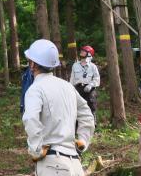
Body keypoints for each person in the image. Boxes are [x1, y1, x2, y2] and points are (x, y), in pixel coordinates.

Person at [22, 39, 95, 176]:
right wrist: (83, 141)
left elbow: (31, 119)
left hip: (52, 165)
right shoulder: (67, 86)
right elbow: (87, 115)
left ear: (33, 64)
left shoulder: (35, 89)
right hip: (75, 165)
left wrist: (36, 150)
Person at [69, 45, 100, 122]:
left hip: (89, 88)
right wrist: (70, 88)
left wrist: (91, 85)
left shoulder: (93, 67)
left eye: (84, 51)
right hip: (77, 87)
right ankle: (76, 124)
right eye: (81, 51)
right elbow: (72, 78)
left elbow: (97, 79)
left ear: (89, 54)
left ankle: (93, 120)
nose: (81, 52)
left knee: (91, 102)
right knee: (76, 105)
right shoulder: (75, 65)